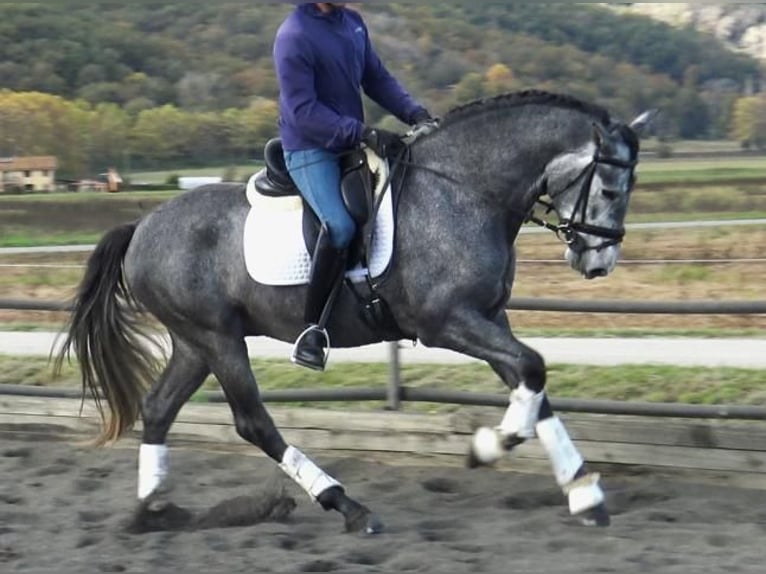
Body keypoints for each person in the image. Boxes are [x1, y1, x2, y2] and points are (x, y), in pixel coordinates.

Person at [274, 2, 436, 371]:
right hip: (310, 147)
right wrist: (362, 131)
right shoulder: (293, 36)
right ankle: (311, 329)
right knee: (341, 225)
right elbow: (304, 112)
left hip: (349, 142)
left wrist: (416, 114)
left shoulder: (353, 23)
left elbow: (375, 77)